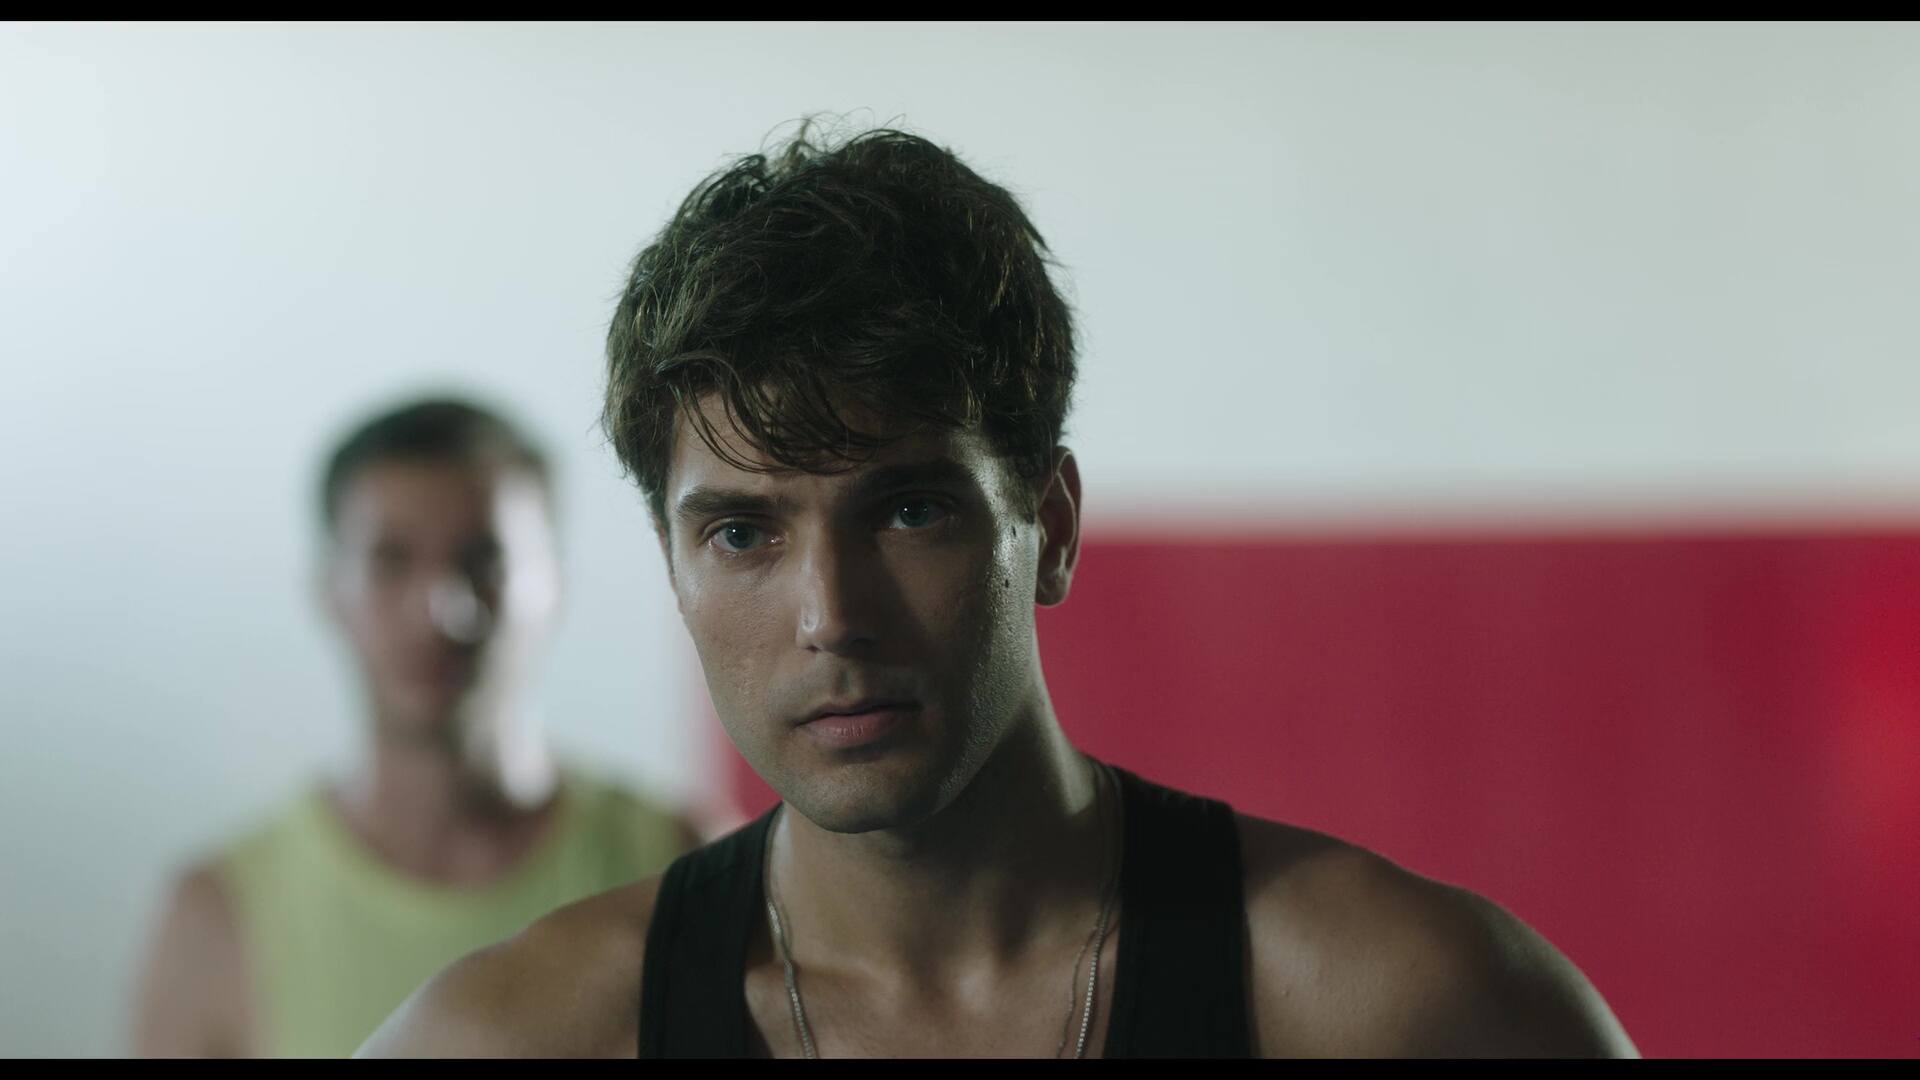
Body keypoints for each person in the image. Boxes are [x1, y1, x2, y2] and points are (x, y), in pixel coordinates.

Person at [357, 126, 1639, 1058]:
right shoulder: (528, 1036)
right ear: (673, 568)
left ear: (1050, 525)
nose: (831, 614)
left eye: (907, 510)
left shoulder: (1390, 1005)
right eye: (744, 532)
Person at [133, 397, 702, 1057]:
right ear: (329, 590)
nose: (441, 612)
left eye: (484, 561)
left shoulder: (677, 860)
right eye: (391, 561)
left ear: (555, 583)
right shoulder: (217, 919)